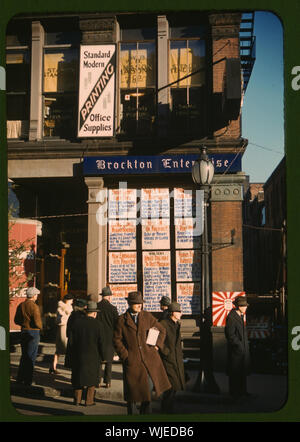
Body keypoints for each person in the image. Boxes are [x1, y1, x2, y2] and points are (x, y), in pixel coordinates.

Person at [113, 291, 171, 415]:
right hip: (132, 362)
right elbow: (116, 340)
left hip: (148, 360)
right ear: (129, 304)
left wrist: (156, 345)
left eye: (141, 303)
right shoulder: (121, 320)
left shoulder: (147, 316)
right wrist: (125, 356)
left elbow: (162, 330)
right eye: (136, 303)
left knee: (147, 394)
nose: (140, 305)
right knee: (132, 395)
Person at [68, 301, 103, 406]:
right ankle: (89, 401)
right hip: (93, 356)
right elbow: (101, 342)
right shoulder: (98, 325)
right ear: (94, 313)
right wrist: (103, 356)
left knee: (78, 378)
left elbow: (71, 341)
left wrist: (70, 356)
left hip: (78, 355)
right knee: (91, 379)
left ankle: (77, 400)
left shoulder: (76, 323)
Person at [159, 302, 185, 413]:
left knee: (174, 388)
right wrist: (166, 352)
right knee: (171, 387)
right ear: (172, 313)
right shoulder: (163, 324)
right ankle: (166, 410)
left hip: (176, 360)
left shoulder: (177, 324)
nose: (181, 313)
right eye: (178, 311)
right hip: (168, 360)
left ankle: (168, 409)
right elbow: (155, 340)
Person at [14, 287, 43, 386]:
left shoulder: (21, 305)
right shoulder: (34, 307)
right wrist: (41, 328)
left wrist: (23, 324)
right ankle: (28, 380)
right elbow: (38, 322)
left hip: (23, 331)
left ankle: (20, 378)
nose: (37, 296)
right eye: (36, 295)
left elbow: (16, 320)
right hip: (33, 332)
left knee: (24, 356)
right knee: (31, 357)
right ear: (34, 295)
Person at [225, 296, 251, 400]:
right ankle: (235, 393)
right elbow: (230, 334)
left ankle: (243, 391)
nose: (245, 308)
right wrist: (239, 345)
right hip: (236, 351)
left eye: (245, 306)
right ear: (238, 306)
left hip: (242, 349)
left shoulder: (240, 315)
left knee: (242, 371)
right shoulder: (231, 316)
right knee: (235, 372)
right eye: (243, 306)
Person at [96, 286, 119, 388]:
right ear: (109, 297)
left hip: (98, 335)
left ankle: (97, 381)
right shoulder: (113, 309)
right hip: (109, 336)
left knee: (98, 359)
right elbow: (117, 323)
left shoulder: (96, 307)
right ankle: (108, 381)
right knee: (109, 360)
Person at [49, 293, 73, 374]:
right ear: (68, 300)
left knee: (59, 349)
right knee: (66, 347)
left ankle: (53, 366)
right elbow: (61, 319)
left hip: (61, 328)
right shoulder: (65, 308)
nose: (72, 301)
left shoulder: (61, 307)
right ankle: (70, 366)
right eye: (71, 300)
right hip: (64, 328)